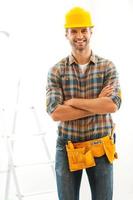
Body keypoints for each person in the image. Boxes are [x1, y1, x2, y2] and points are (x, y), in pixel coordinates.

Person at [46, 6, 121, 200]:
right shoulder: (56, 71)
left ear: (91, 31)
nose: (79, 36)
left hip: (101, 145)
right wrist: (97, 104)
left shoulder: (107, 67)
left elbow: (112, 105)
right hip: (68, 146)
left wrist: (73, 102)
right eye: (74, 31)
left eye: (83, 30)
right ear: (66, 34)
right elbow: (55, 113)